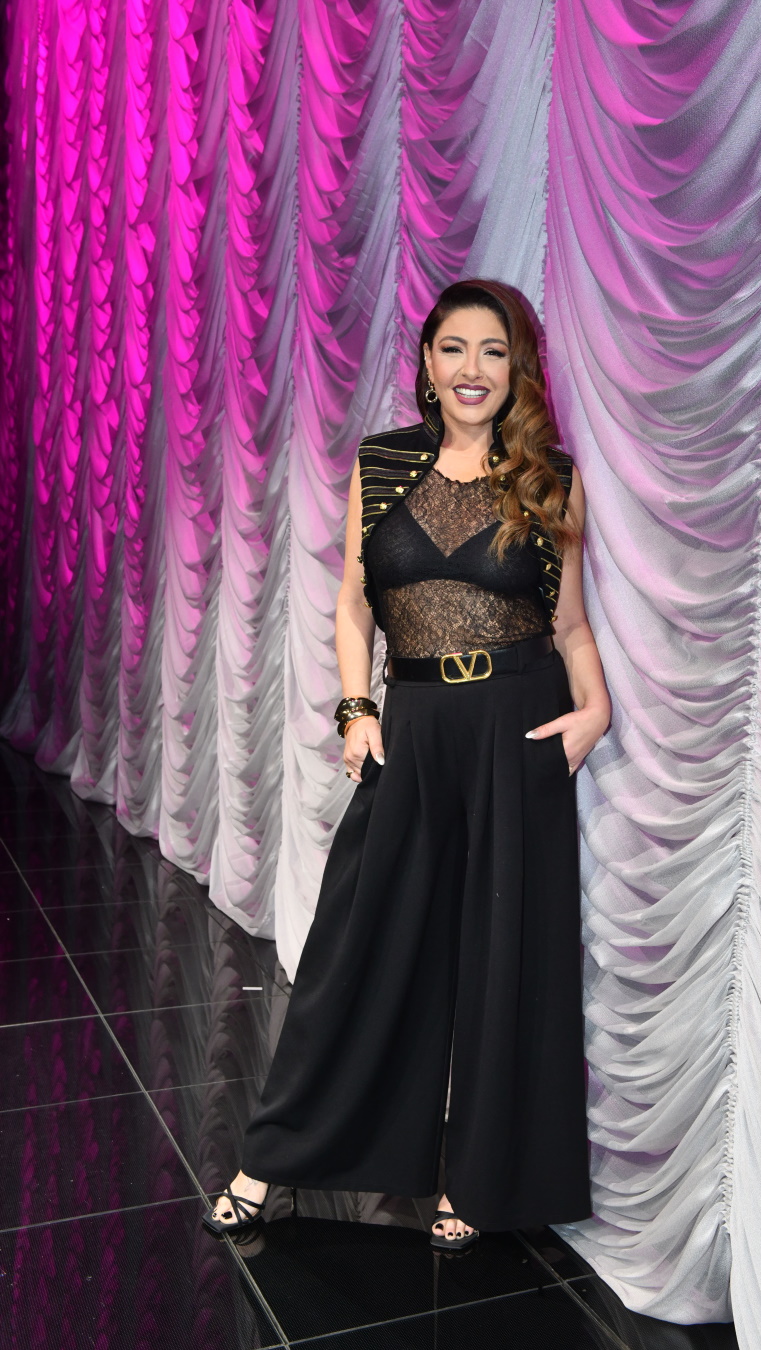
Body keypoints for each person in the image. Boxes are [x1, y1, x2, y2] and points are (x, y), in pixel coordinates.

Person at [203, 278, 612, 1250]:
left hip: (518, 726)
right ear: (427, 362)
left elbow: (571, 624)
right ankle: (273, 1157)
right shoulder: (383, 462)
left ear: (518, 369)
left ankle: (478, 1178)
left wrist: (596, 709)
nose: (473, 369)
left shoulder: (549, 478)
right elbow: (354, 603)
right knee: (357, 947)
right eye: (454, 349)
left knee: (503, 961)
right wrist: (355, 710)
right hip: (415, 723)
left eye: (494, 352)